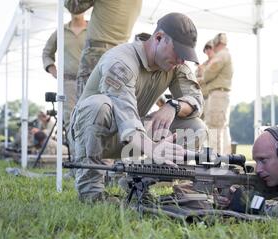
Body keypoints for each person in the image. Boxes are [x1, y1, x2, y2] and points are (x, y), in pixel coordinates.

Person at [69, 12, 207, 202]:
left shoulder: (174, 64)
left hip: (133, 136)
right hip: (95, 136)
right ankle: (91, 193)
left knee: (196, 128)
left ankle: (139, 182)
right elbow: (124, 113)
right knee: (97, 105)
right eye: (179, 52)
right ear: (158, 38)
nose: (182, 61)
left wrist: (173, 106)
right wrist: (153, 149)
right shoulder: (121, 61)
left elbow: (196, 100)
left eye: (186, 55)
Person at [64, 0, 143, 101]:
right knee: (109, 105)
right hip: (121, 56)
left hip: (96, 53)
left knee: (85, 105)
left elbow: (73, 6)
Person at [42, 11, 88, 138]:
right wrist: (54, 72)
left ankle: (90, 157)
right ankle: (76, 157)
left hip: (90, 82)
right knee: (71, 121)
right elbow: (46, 53)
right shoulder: (61, 31)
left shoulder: (93, 29)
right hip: (68, 83)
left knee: (91, 119)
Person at [198, 33, 233, 155]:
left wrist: (204, 74)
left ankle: (215, 160)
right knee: (221, 129)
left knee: (214, 129)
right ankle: (223, 160)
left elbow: (208, 73)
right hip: (220, 95)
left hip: (217, 96)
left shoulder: (221, 55)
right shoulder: (225, 54)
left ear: (216, 43)